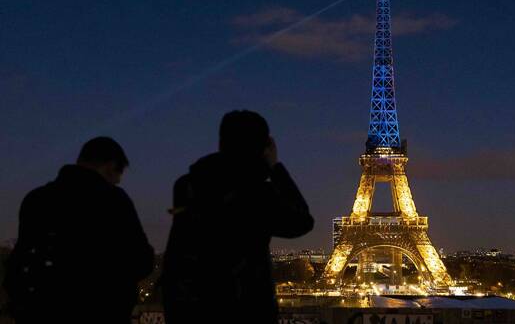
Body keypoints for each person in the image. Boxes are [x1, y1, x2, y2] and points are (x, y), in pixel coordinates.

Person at [161, 110, 314, 324]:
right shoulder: (258, 193)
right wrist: (276, 167)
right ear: (263, 147)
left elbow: (178, 256)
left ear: (221, 142)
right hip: (246, 306)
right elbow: (302, 221)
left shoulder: (187, 186)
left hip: (196, 307)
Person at [3, 137, 155, 324]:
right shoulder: (112, 200)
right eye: (118, 175)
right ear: (110, 166)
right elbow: (140, 259)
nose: (118, 181)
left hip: (37, 311)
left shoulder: (36, 199)